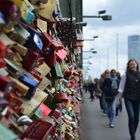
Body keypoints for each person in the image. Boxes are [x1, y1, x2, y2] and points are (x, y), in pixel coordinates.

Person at [118, 59, 140, 140]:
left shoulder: (139, 74)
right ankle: (132, 136)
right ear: (129, 66)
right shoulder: (125, 75)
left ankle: (132, 132)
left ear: (137, 65)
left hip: (138, 99)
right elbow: (121, 88)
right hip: (128, 98)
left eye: (134, 64)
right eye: (131, 64)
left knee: (137, 119)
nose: (132, 65)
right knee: (131, 117)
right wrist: (118, 99)